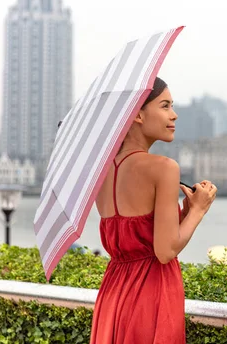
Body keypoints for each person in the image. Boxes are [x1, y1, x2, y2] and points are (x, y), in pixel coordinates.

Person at [90, 77, 217, 344]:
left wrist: (181, 214)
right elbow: (164, 251)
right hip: (151, 295)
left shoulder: (101, 171)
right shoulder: (164, 168)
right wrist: (198, 210)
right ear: (137, 114)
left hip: (113, 296)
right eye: (165, 106)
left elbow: (136, 236)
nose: (174, 114)